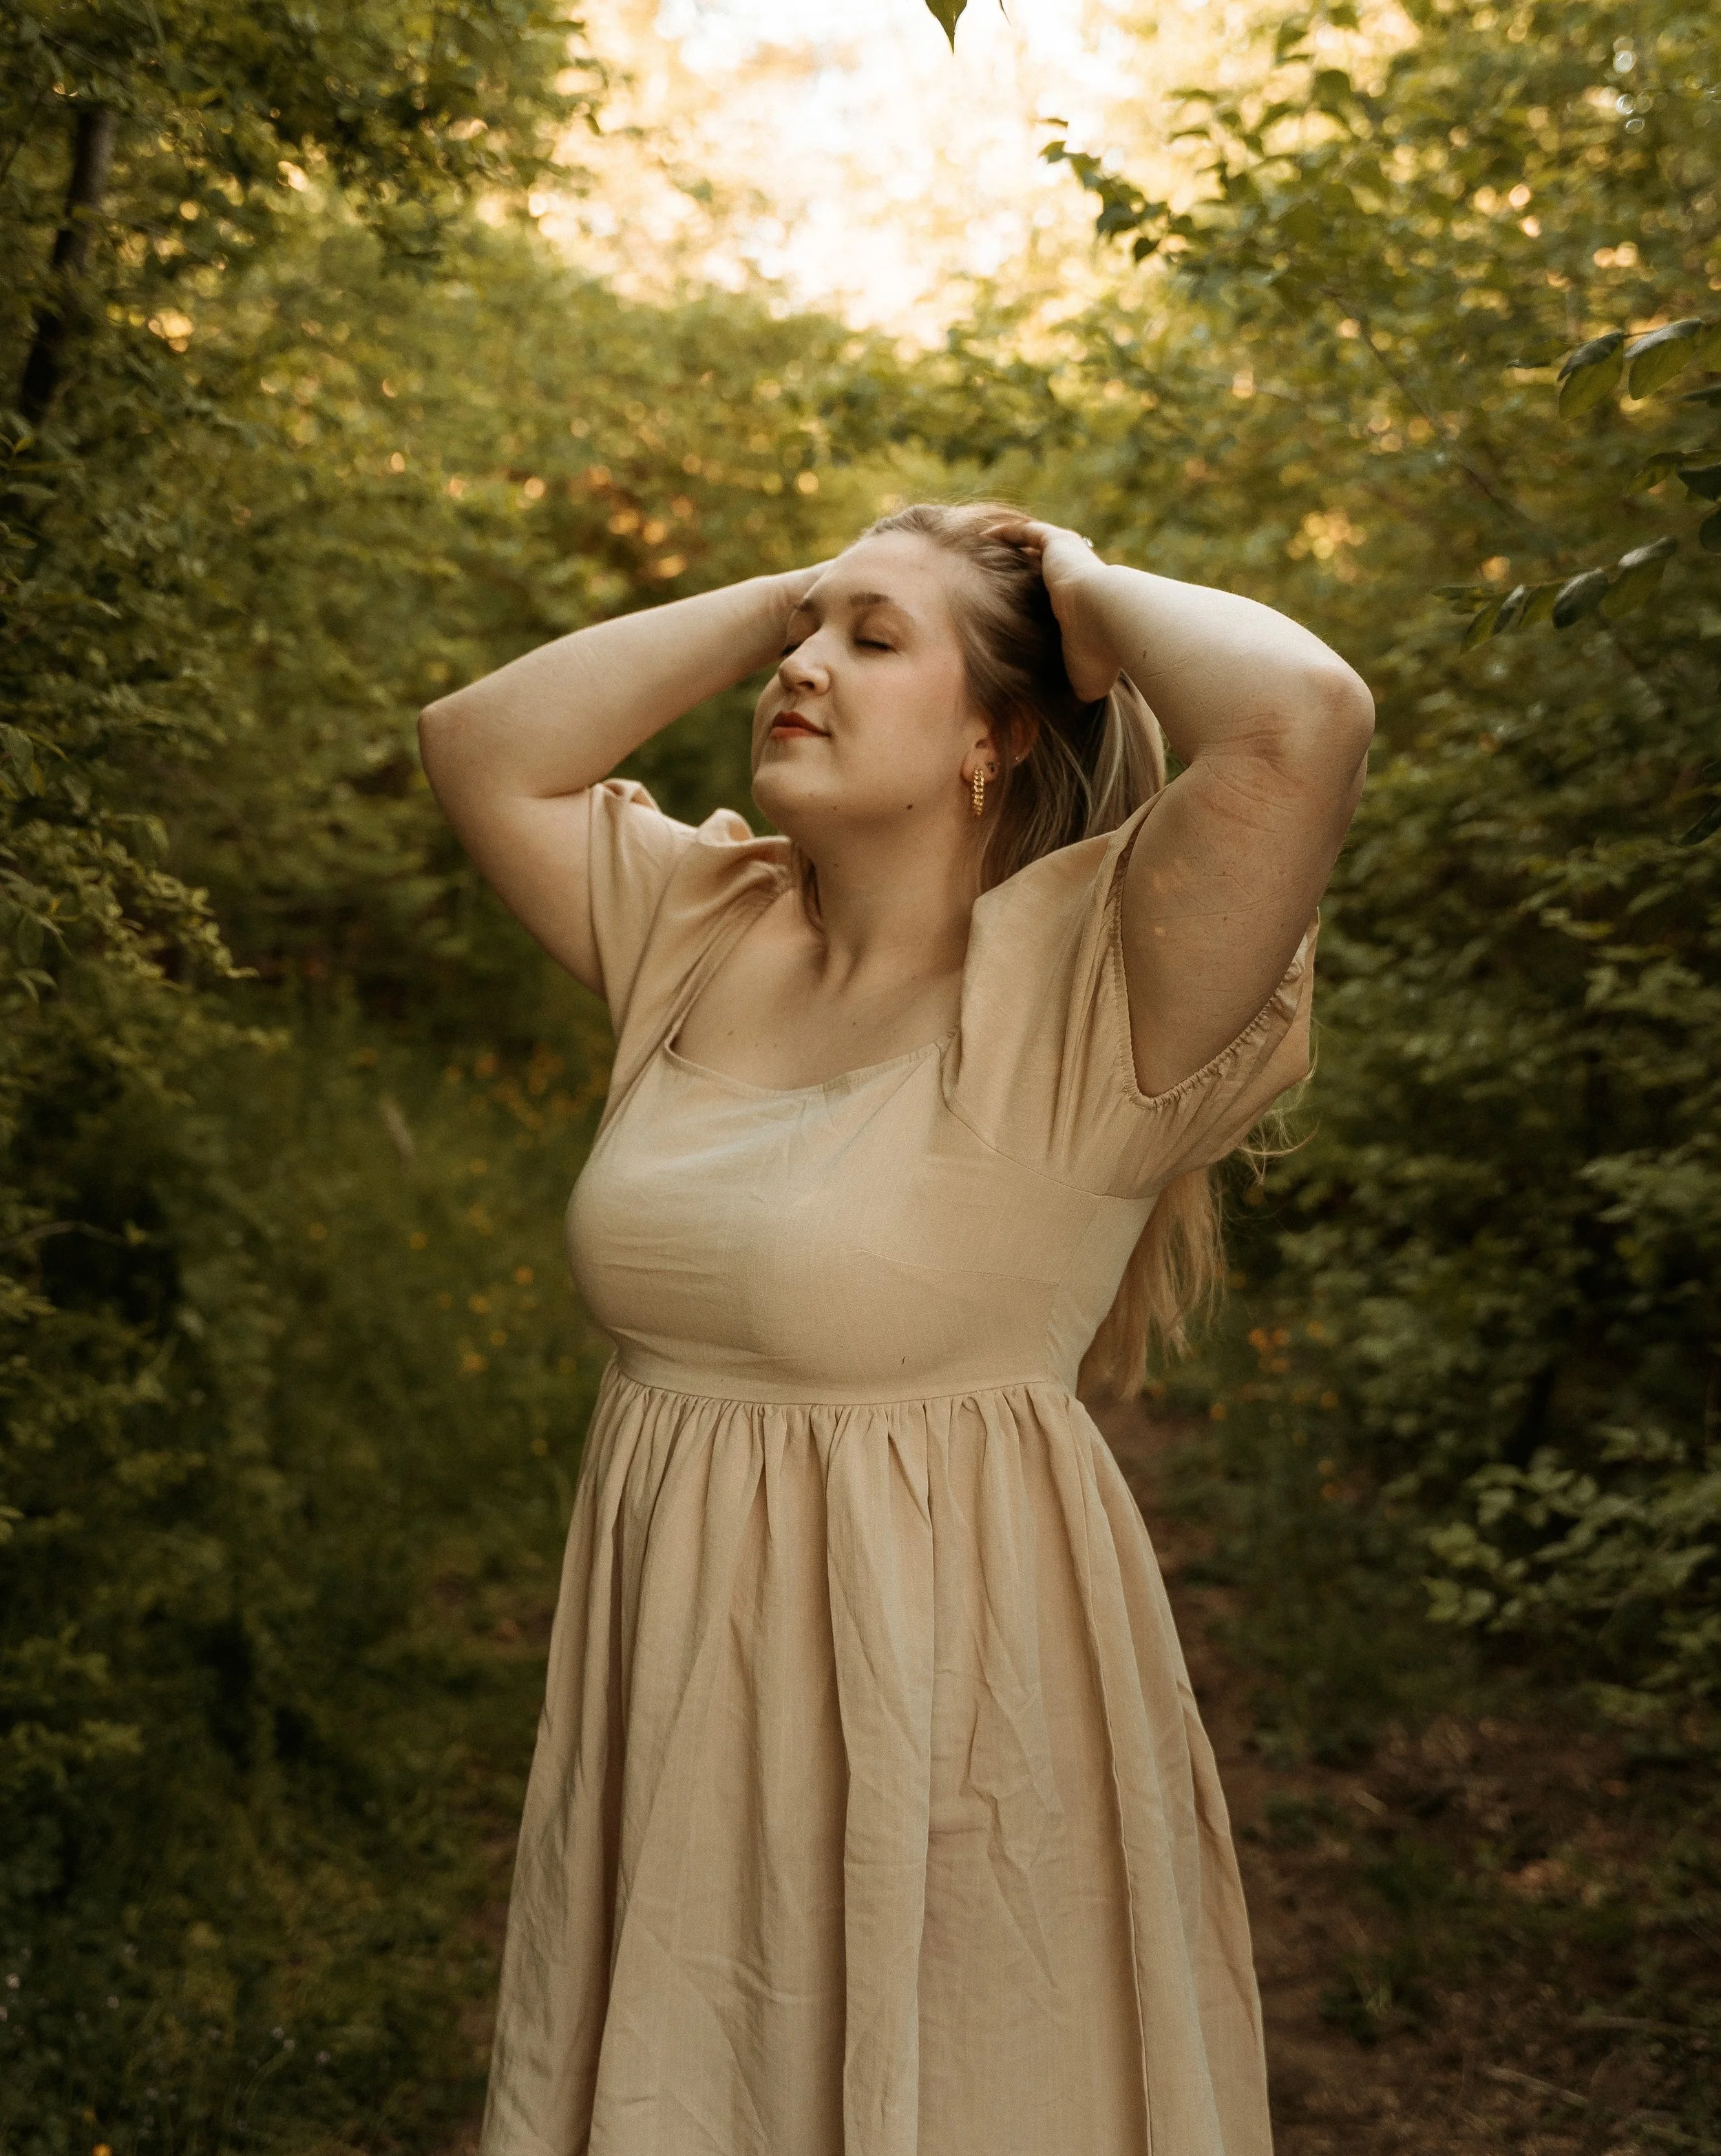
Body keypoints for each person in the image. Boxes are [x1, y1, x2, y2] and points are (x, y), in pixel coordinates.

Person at [418, 503, 1373, 2156]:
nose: (799, 665)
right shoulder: (704, 925)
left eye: (870, 644)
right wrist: (808, 587)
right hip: (673, 1704)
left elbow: (1308, 712)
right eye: (806, 636)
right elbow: (480, 743)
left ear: (993, 737)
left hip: (951, 1701)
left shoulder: (1097, 986)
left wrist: (1070, 581)